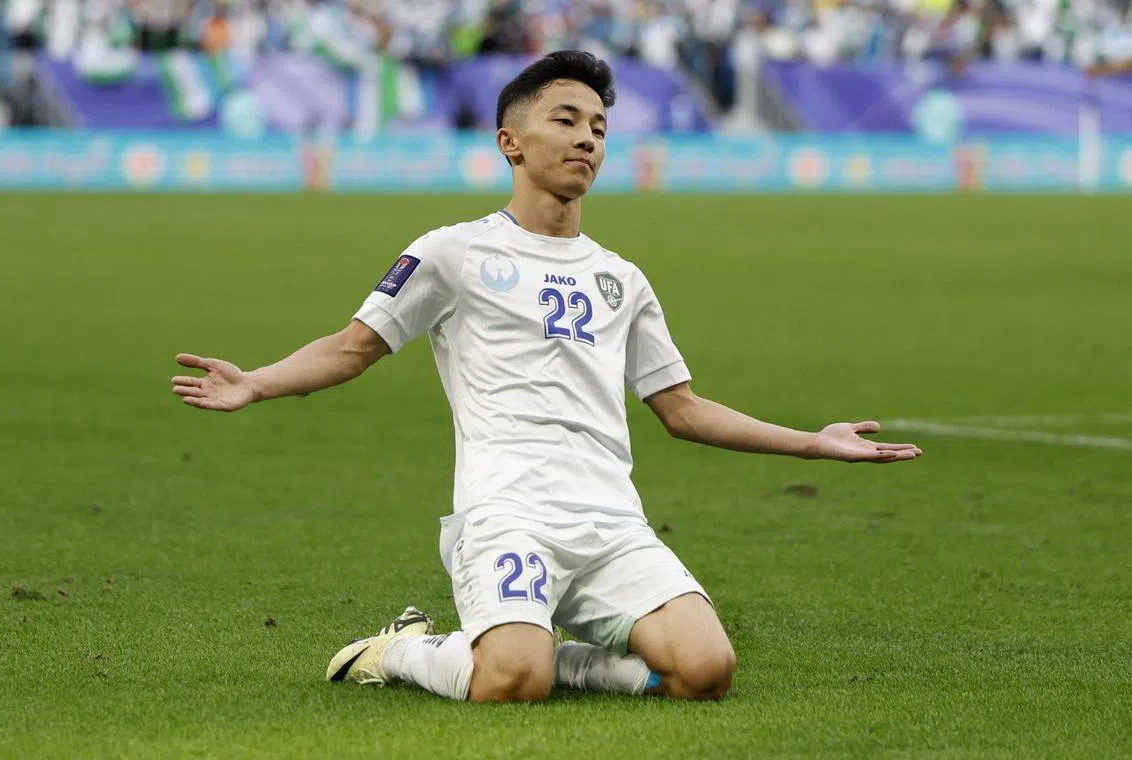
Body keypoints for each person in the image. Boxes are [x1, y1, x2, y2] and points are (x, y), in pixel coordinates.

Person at [170, 50, 922, 704]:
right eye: (565, 120)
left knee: (708, 670)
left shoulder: (620, 279)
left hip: (611, 524)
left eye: (598, 127)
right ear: (511, 142)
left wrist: (812, 445)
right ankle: (399, 649)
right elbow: (351, 347)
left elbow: (683, 409)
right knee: (511, 682)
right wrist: (258, 382)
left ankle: (554, 655)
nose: (587, 138)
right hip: (507, 516)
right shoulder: (451, 254)